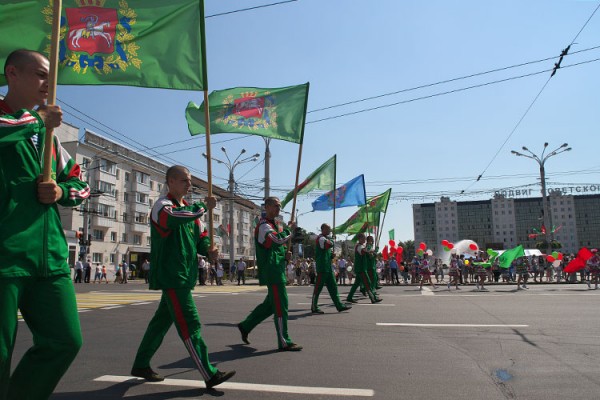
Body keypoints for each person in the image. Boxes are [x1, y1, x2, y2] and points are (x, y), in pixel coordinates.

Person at [0, 49, 90, 399]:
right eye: (40, 75)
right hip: (5, 256)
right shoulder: (26, 121)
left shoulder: (49, 137)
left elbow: (81, 185)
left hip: (50, 259)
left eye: (51, 77)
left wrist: (61, 192)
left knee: (65, 341)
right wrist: (40, 121)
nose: (49, 84)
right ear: (12, 74)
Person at [131, 165, 235, 389]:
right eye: (184, 181)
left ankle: (141, 363)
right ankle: (209, 373)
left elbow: (201, 238)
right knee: (190, 324)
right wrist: (203, 207)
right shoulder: (162, 206)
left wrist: (209, 248)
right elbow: (173, 218)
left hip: (183, 275)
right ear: (170, 181)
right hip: (172, 275)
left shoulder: (189, 210)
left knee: (160, 324)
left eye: (189, 181)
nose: (189, 185)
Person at [237, 197, 302, 351]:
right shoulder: (264, 225)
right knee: (281, 305)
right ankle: (284, 340)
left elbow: (277, 247)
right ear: (266, 207)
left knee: (270, 305)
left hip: (277, 269)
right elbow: (275, 240)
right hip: (272, 272)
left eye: (279, 206)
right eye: (275, 206)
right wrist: (288, 231)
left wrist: (286, 256)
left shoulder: (274, 225)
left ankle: (246, 325)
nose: (278, 208)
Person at [311, 224, 351, 314]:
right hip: (322, 268)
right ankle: (314, 306)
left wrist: (330, 256)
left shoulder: (325, 238)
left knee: (333, 287)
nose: (330, 230)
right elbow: (327, 245)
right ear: (323, 229)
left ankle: (339, 305)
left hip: (328, 267)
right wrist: (332, 239)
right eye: (328, 229)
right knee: (318, 288)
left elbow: (326, 250)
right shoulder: (320, 238)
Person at [346, 233, 381, 304]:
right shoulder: (358, 246)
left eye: (365, 238)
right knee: (368, 283)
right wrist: (371, 249)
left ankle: (349, 297)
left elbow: (369, 253)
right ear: (359, 239)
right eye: (363, 238)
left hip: (362, 268)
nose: (365, 240)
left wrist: (373, 251)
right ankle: (373, 298)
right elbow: (364, 251)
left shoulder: (362, 246)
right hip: (361, 269)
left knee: (356, 284)